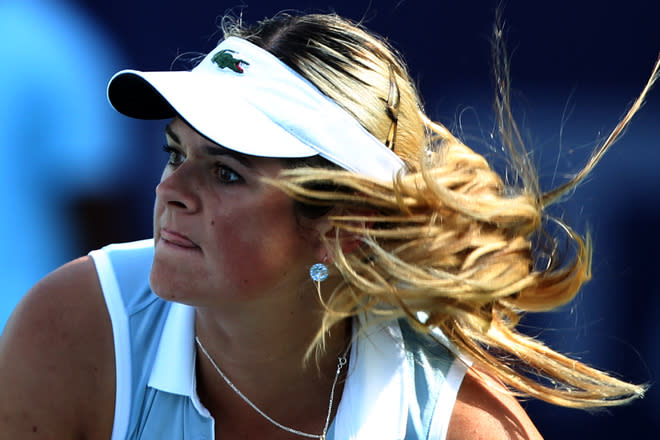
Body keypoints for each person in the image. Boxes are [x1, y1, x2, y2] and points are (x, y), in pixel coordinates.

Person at [0, 12, 657, 440]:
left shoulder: (463, 428)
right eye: (177, 152)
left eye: (226, 173)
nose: (171, 190)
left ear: (345, 225)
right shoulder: (71, 328)